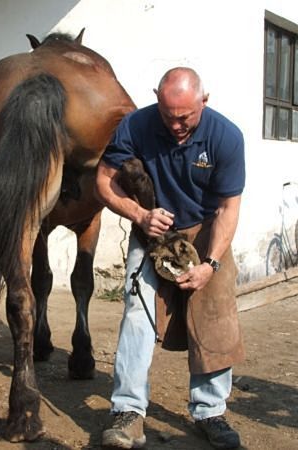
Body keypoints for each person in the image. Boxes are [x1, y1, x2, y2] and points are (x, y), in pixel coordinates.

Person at [96, 67, 245, 449]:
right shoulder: (136, 125)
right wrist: (139, 215)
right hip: (153, 230)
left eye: (186, 117)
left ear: (203, 101)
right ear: (156, 100)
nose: (177, 125)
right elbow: (104, 180)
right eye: (169, 116)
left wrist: (210, 264)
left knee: (214, 317)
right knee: (137, 313)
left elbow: (229, 208)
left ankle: (210, 411)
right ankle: (128, 412)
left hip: (206, 229)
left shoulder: (226, 136)